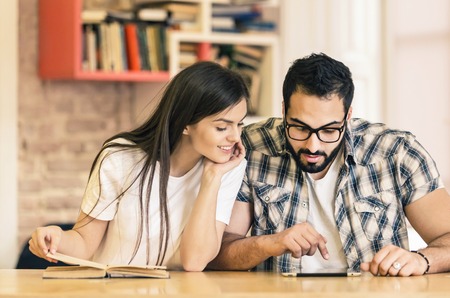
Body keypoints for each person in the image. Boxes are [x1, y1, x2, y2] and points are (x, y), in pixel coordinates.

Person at [208, 53, 450, 276]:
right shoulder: (250, 147)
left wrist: (421, 260)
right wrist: (269, 243)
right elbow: (216, 253)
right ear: (284, 111)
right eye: (300, 127)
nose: (313, 146)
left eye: (329, 130)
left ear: (348, 116)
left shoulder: (396, 152)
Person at [28, 61, 249, 272]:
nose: (235, 137)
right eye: (222, 127)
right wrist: (56, 236)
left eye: (240, 124)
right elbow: (85, 243)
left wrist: (212, 178)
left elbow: (194, 261)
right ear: (185, 124)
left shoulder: (228, 168)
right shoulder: (120, 158)